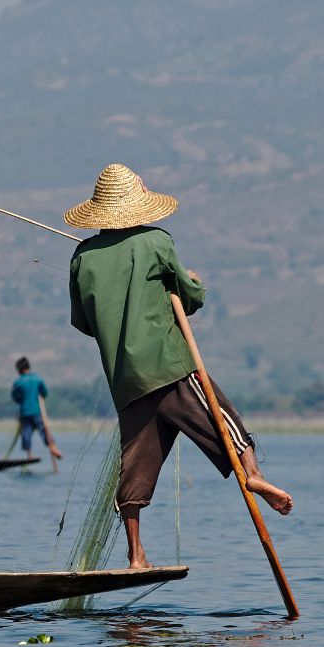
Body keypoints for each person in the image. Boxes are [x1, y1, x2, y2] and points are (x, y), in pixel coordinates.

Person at [66, 163, 293, 569]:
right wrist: (191, 281)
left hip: (125, 378)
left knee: (136, 461)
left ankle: (136, 555)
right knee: (227, 425)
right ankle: (252, 473)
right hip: (168, 365)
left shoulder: (82, 257)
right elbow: (190, 298)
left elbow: (84, 323)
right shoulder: (156, 242)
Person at [11, 357, 62, 462]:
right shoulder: (37, 379)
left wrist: (21, 399)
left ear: (19, 370)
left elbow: (15, 397)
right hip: (37, 412)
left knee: (26, 433)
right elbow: (44, 393)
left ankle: (29, 455)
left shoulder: (18, 382)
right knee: (44, 430)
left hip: (25, 412)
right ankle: (53, 448)